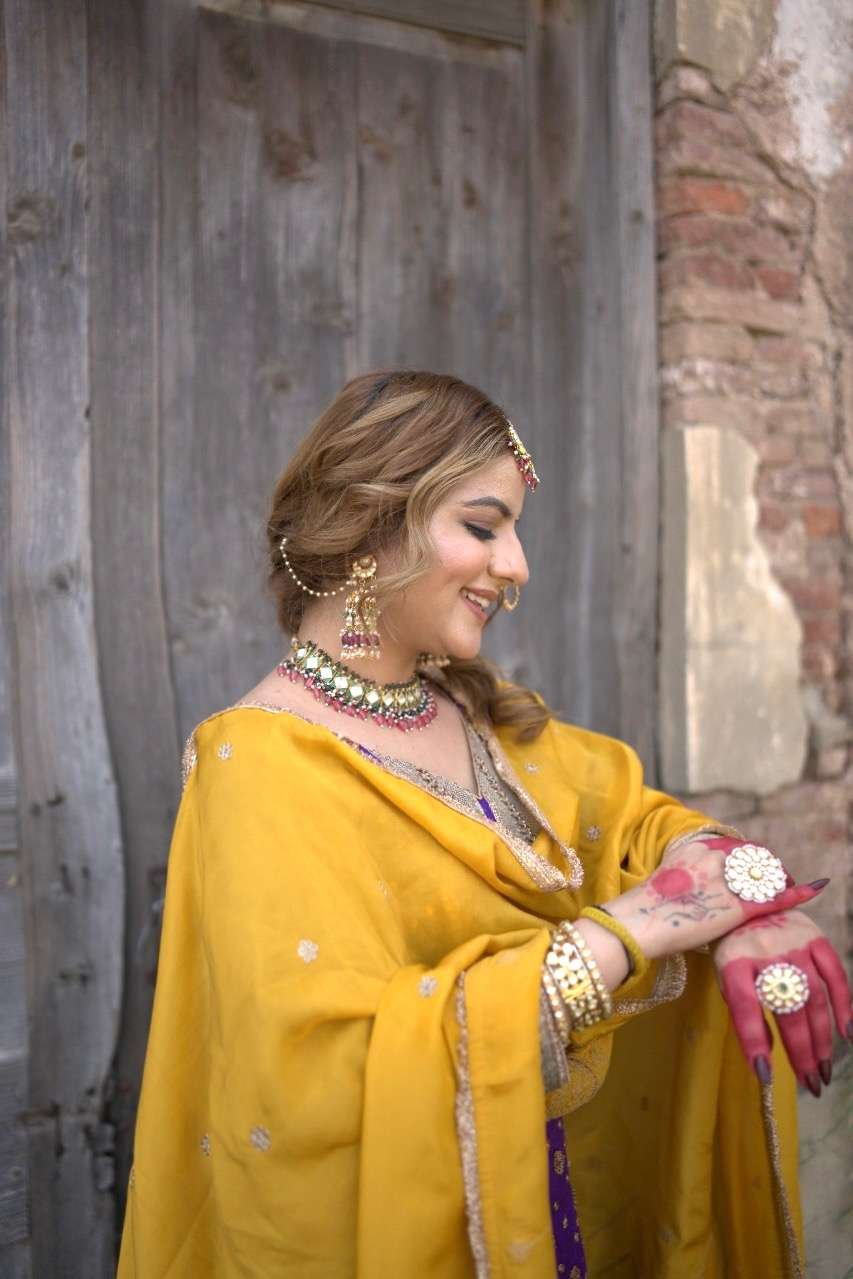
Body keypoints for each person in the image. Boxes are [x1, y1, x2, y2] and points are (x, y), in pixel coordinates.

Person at [118, 371, 851, 1278]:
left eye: (512, 530)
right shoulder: (257, 762)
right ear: (369, 521)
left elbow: (638, 822)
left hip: (539, 1212)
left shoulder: (480, 714)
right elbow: (321, 1086)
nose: (516, 567)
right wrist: (640, 925)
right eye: (481, 526)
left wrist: (746, 905)